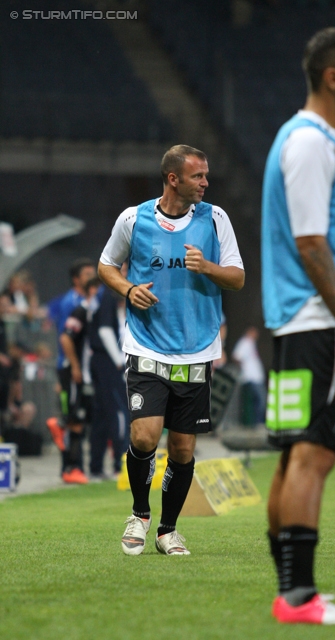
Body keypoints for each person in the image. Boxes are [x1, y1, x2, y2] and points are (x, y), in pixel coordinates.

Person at [261, 27, 335, 625]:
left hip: (296, 323)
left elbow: (327, 232)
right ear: (334, 77)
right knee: (313, 456)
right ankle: (299, 598)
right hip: (317, 324)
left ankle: (291, 592)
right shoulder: (311, 142)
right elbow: (311, 245)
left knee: (292, 456)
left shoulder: (309, 141)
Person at [98, 144, 244, 556]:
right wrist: (128, 288)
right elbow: (106, 265)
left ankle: (167, 530)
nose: (206, 182)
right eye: (198, 176)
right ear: (173, 178)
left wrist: (209, 268)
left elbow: (237, 277)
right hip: (147, 344)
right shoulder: (134, 219)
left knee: (182, 448)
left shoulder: (216, 219)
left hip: (196, 349)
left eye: (207, 175)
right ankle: (139, 515)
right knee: (144, 436)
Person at [46, 257, 96, 484]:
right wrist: (72, 365)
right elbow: (66, 337)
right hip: (70, 367)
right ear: (76, 279)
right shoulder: (73, 303)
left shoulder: (87, 301)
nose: (92, 277)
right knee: (75, 417)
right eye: (87, 274)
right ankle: (70, 464)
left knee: (81, 417)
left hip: (79, 367)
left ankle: (72, 468)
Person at [88, 283, 129, 480]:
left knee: (101, 414)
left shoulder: (100, 297)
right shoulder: (107, 296)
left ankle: (96, 466)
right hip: (107, 362)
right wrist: (119, 362)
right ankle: (120, 464)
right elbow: (105, 331)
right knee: (120, 411)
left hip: (97, 362)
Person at [232, 326, 266, 427]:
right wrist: (244, 370)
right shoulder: (245, 342)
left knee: (256, 402)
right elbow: (236, 356)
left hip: (256, 377)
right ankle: (257, 424)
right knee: (260, 401)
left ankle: (256, 424)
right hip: (252, 378)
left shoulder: (251, 343)